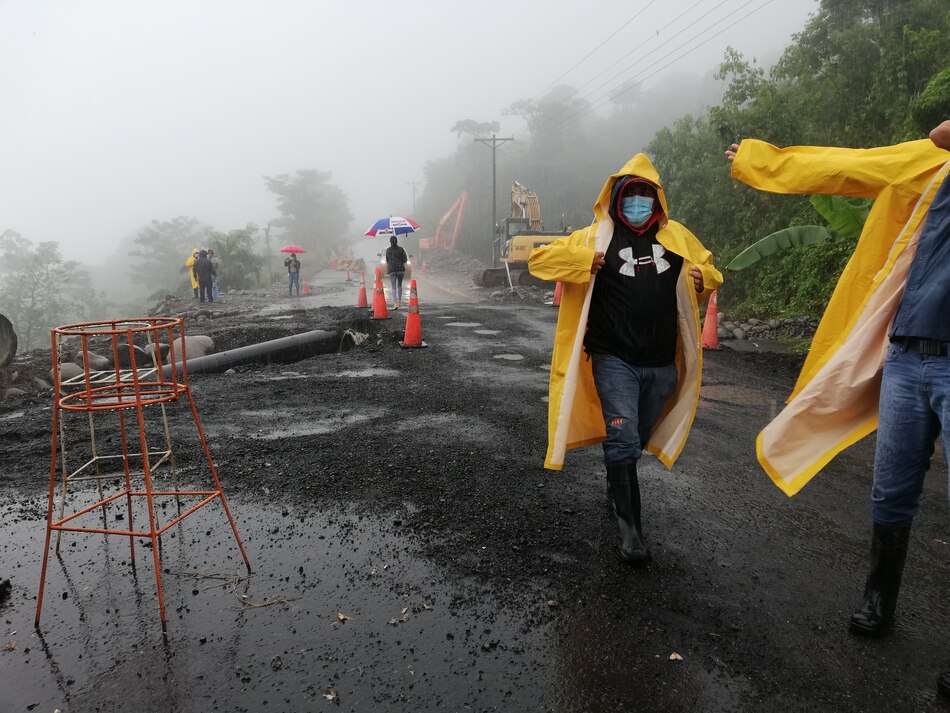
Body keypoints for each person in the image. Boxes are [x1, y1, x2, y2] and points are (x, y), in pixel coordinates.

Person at [726, 120, 950, 695]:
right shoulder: (929, 168)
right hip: (905, 352)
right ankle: (879, 604)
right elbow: (843, 165)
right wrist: (758, 160)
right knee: (891, 488)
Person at [527, 152, 723, 564]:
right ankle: (631, 533)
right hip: (612, 356)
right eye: (630, 193)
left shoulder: (676, 237)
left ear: (657, 200)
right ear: (616, 198)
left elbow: (709, 267)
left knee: (636, 437)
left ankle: (617, 482)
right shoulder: (595, 238)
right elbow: (538, 260)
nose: (637, 201)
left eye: (645, 194)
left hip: (661, 363)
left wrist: (706, 280)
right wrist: (582, 262)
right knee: (622, 434)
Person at [385, 235, 408, 309]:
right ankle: (399, 301)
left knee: (393, 287)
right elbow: (405, 260)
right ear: (397, 241)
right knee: (399, 285)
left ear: (390, 242)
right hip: (400, 269)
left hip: (392, 270)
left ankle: (395, 303)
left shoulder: (388, 250)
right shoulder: (401, 249)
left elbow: (387, 261)